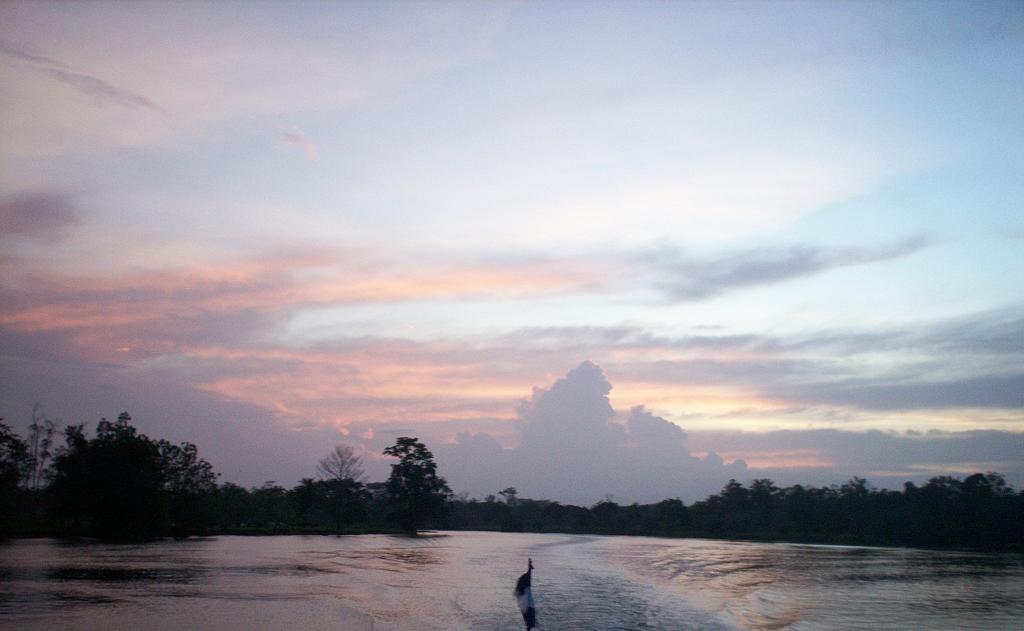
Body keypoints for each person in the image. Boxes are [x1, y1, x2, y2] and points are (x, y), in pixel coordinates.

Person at [514, 558, 537, 629]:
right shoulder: (525, 584)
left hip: (526, 598)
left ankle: (529, 626)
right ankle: (529, 626)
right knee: (529, 620)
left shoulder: (524, 582)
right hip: (526, 599)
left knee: (529, 620)